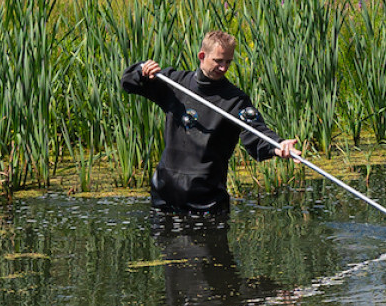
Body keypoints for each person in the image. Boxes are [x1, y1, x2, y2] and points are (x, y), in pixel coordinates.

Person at [121, 30, 299, 217]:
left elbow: (256, 132)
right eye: (218, 61)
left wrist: (278, 146)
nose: (223, 68)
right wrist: (142, 71)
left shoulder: (235, 100)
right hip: (165, 197)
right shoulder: (175, 83)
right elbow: (129, 83)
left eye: (228, 62)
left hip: (206, 202)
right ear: (202, 56)